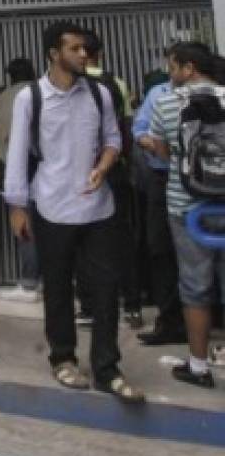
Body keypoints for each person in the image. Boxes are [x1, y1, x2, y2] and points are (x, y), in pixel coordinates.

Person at [4, 21, 142, 403]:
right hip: (51, 205)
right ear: (53, 53)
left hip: (98, 208)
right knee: (59, 287)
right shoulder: (30, 97)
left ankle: (106, 367)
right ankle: (63, 357)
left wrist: (105, 165)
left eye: (86, 48)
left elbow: (114, 139)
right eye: (75, 48)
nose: (84, 55)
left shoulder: (99, 93)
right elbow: (16, 154)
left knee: (106, 286)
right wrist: (17, 206)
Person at [138, 42, 223, 390]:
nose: (170, 75)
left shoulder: (168, 102)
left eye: (173, 67)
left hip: (187, 207)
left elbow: (159, 150)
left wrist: (158, 145)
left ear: (188, 68)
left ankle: (199, 365)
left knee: (194, 285)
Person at [84, 30, 143, 329]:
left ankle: (88, 305)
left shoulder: (69, 83)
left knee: (81, 239)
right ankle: (132, 303)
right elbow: (126, 128)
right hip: (113, 168)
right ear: (100, 54)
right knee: (120, 236)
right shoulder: (115, 83)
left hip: (80, 172)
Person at [132, 49, 186, 347]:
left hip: (203, 184)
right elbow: (138, 128)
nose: (170, 70)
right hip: (161, 178)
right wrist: (151, 143)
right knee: (160, 248)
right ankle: (170, 319)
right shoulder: (157, 94)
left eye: (173, 65)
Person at [0, 57, 42, 303]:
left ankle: (30, 283)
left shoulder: (7, 98)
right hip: (48, 168)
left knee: (24, 225)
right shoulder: (44, 91)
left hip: (17, 166)